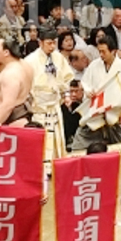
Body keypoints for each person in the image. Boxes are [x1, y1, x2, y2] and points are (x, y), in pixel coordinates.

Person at [71, 36, 121, 150]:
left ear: (113, 51)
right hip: (96, 110)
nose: (101, 55)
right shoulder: (94, 65)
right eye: (99, 52)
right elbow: (86, 83)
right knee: (80, 142)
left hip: (116, 111)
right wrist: (88, 92)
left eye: (103, 51)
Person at [24, 29, 73, 165]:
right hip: (39, 108)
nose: (52, 46)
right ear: (40, 43)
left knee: (57, 140)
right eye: (49, 43)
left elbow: (67, 78)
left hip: (55, 105)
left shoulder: (58, 57)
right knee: (43, 142)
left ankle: (58, 166)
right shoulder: (30, 61)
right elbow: (25, 86)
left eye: (54, 43)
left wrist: (66, 94)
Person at [0, 38, 34, 126]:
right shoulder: (25, 65)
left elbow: (8, 104)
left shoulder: (11, 74)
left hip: (11, 120)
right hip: (20, 115)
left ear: (6, 52)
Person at [61, 79, 83, 148]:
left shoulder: (85, 104)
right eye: (71, 91)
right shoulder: (63, 106)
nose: (73, 94)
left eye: (76, 91)